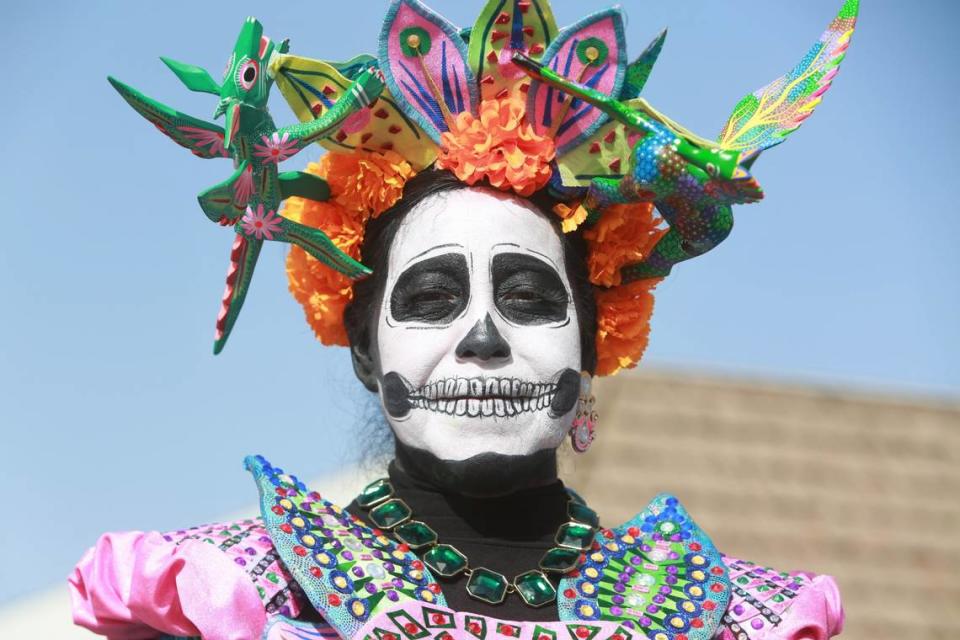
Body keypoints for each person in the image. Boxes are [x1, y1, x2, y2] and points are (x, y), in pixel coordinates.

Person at [71, 1, 858, 638]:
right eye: (430, 298)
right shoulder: (219, 599)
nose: (483, 336)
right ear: (364, 350)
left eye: (527, 298)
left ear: (593, 341)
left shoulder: (744, 621)